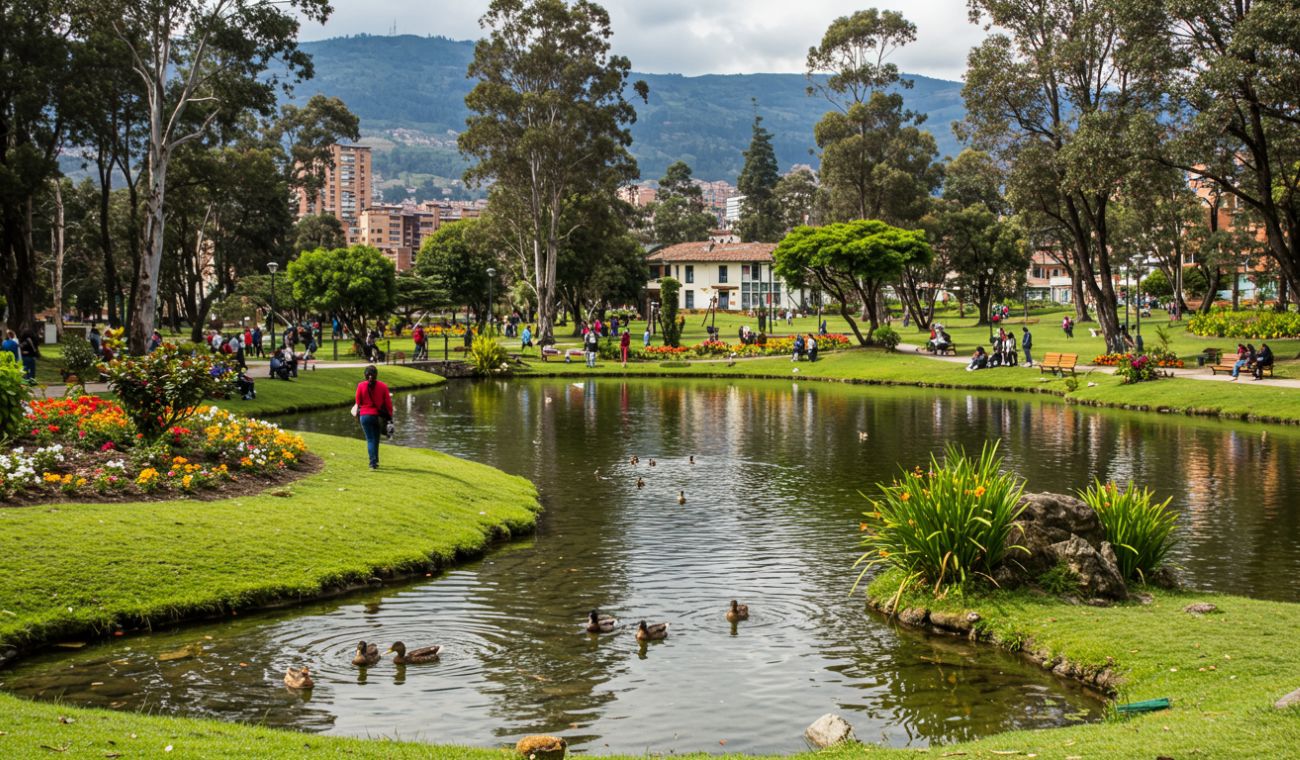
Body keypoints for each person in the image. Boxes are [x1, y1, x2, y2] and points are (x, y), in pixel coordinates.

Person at [355, 365, 393, 470]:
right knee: (376, 439)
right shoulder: (383, 386)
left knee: (370, 439)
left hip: (364, 416)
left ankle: (373, 462)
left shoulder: (361, 386)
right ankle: (374, 461)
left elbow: (358, 402)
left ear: (365, 375)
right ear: (376, 375)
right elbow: (388, 404)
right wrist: (389, 417)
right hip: (378, 416)